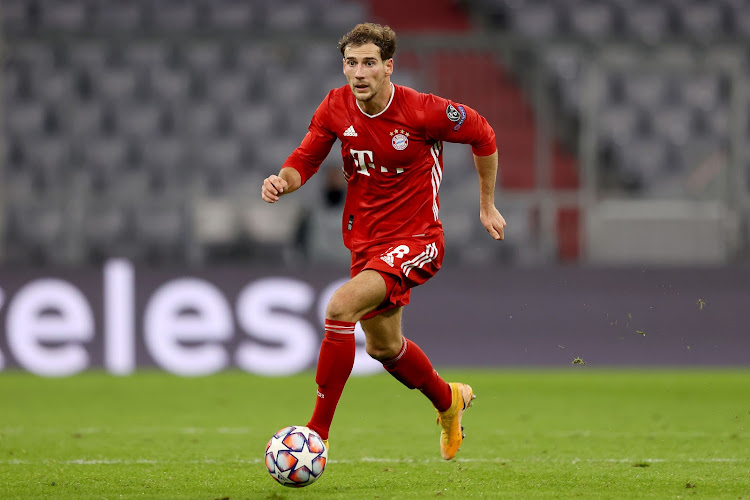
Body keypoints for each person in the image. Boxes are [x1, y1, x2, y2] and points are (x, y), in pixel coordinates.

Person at [261, 22, 506, 460]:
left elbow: (483, 134)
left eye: (369, 63)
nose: (359, 73)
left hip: (418, 239)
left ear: (388, 66)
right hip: (366, 244)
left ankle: (317, 434)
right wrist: (283, 180)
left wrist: (486, 205)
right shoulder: (336, 106)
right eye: (351, 63)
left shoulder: (423, 111)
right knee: (383, 347)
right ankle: (449, 400)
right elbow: (306, 158)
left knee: (339, 307)